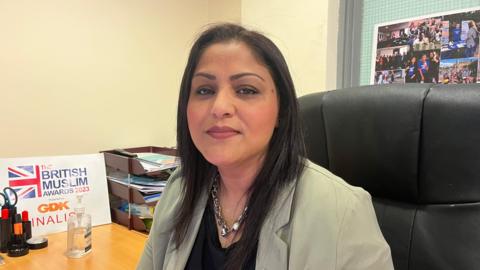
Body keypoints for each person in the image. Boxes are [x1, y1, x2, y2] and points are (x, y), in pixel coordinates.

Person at [137, 23, 393, 270]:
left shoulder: (342, 212)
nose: (220, 107)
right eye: (204, 90)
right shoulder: (178, 191)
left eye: (246, 90)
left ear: (281, 110)